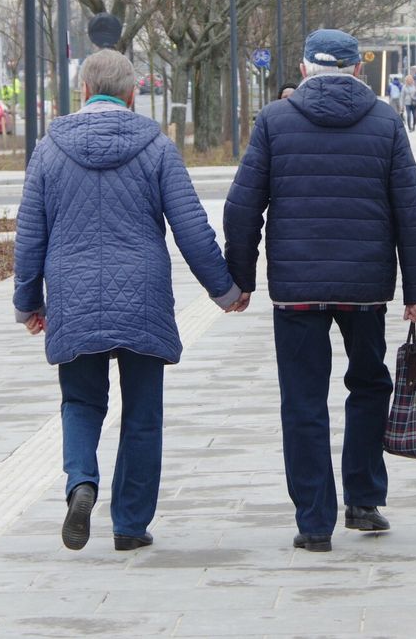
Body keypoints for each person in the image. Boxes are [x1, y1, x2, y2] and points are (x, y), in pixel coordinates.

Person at [14, 49, 244, 553]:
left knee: (80, 401)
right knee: (142, 413)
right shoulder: (156, 147)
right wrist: (224, 290)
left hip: (72, 295)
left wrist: (28, 302)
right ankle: (130, 525)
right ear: (133, 93)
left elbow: (30, 234)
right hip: (141, 296)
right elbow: (190, 227)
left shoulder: (49, 150)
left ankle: (81, 483)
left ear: (82, 91)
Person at [223, 29, 416, 553]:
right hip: (364, 287)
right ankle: (363, 501)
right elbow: (412, 212)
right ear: (357, 70)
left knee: (302, 400)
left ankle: (314, 522)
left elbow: (242, 206)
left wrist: (240, 280)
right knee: (368, 386)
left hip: (296, 291)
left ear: (302, 69)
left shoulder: (274, 121)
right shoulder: (386, 121)